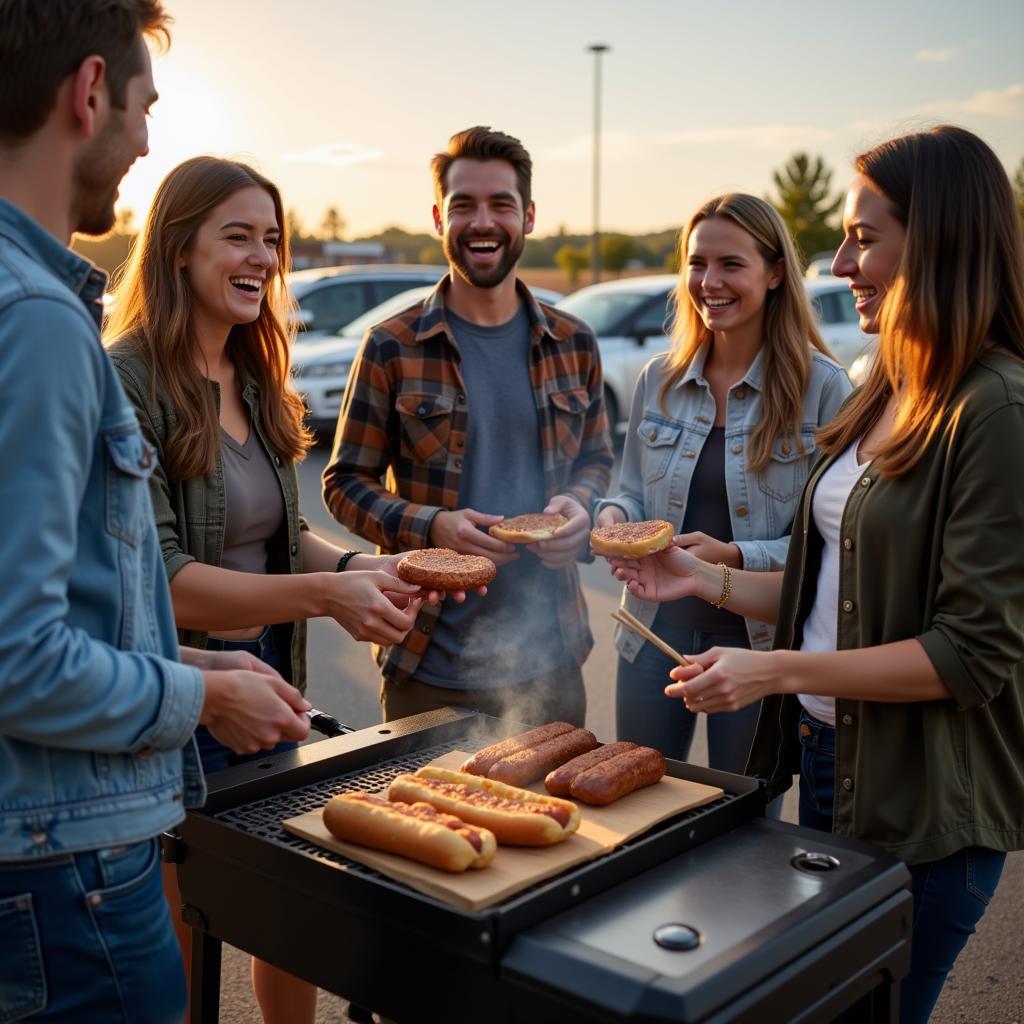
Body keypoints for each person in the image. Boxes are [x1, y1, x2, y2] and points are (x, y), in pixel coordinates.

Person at [611, 125, 1024, 1024]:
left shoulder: (996, 407)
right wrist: (697, 579)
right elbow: (828, 585)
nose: (839, 263)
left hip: (922, 803)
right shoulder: (891, 384)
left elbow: (972, 655)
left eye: (864, 238)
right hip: (833, 765)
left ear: (942, 239)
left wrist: (777, 668)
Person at [0, 4, 310, 1022]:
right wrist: (200, 694)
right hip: (64, 867)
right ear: (90, 93)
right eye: (145, 109)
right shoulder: (41, 322)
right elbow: (16, 655)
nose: (143, 141)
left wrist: (205, 666)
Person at [106, 155, 458, 1024]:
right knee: (193, 923)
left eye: (272, 239)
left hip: (269, 680)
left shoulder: (254, 372)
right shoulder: (127, 380)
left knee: (286, 915)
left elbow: (275, 532)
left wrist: (355, 569)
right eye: (238, 236)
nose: (262, 257)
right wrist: (326, 600)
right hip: (179, 696)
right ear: (179, 249)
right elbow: (165, 583)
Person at [323, 126, 614, 726]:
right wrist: (433, 528)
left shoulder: (574, 341)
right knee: (429, 821)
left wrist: (580, 507)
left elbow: (597, 460)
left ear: (528, 216)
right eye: (464, 205)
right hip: (428, 662)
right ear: (438, 217)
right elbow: (343, 482)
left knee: (558, 817)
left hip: (553, 657)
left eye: (501, 204)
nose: (483, 222)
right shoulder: (391, 346)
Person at [594, 193, 850, 784]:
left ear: (776, 272)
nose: (709, 281)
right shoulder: (659, 377)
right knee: (640, 803)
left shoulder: (825, 390)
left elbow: (830, 549)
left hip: (760, 648)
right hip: (651, 634)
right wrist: (613, 519)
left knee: (742, 821)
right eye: (696, 262)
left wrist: (735, 557)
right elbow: (631, 492)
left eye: (731, 264)